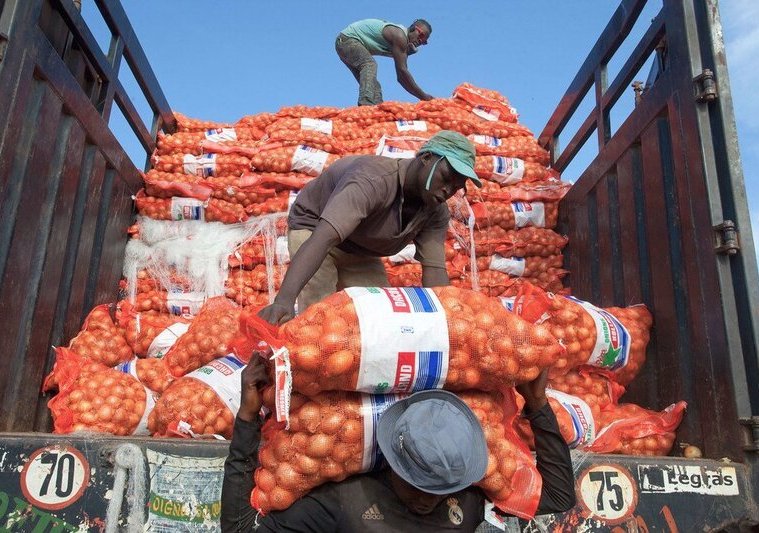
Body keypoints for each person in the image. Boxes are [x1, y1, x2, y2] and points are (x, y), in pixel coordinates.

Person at [221, 357, 576, 532]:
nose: (428, 498)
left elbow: (558, 497)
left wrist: (538, 405)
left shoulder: (467, 494)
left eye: (439, 489)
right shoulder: (344, 502)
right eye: (417, 484)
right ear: (393, 459)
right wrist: (248, 418)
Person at [258, 131, 483, 326]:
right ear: (426, 158)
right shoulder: (373, 180)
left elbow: (434, 272)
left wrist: (447, 321)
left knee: (381, 315)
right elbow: (323, 239)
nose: (448, 190)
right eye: (446, 177)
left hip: (360, 249)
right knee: (320, 316)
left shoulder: (435, 211)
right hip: (315, 229)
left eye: (457, 187)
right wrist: (283, 301)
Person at [335, 18, 434, 105]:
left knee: (374, 87)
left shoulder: (401, 44)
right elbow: (402, 75)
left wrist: (406, 53)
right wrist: (424, 97)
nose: (420, 41)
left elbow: (402, 74)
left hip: (344, 44)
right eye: (421, 35)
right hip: (347, 40)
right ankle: (366, 104)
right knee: (369, 64)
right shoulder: (399, 36)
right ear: (412, 28)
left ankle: (377, 110)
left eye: (424, 42)